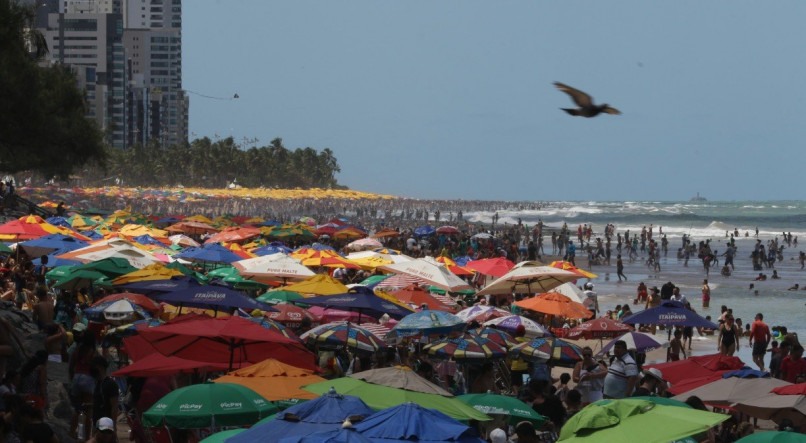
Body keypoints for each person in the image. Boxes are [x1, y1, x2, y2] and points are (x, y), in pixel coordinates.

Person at [91, 356, 119, 430]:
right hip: (96, 424)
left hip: (106, 426)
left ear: (100, 367)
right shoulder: (97, 383)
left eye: (94, 366)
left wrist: (113, 426)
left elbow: (114, 407)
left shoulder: (110, 384)